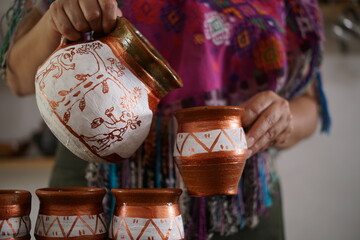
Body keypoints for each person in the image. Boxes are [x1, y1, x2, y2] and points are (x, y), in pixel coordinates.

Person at [1, 0, 331, 239]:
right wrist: (57, 18)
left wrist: (283, 121)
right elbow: (17, 77)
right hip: (97, 187)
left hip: (241, 199)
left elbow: (309, 103)